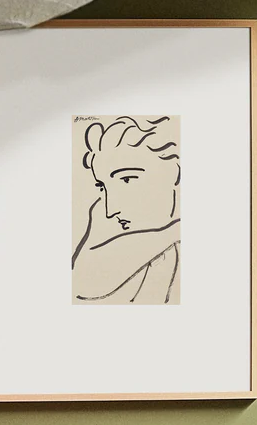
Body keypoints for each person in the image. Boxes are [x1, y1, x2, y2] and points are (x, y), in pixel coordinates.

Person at [72, 115, 181, 304]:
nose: (110, 210)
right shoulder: (100, 214)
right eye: (101, 186)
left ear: (174, 172)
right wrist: (173, 232)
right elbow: (82, 283)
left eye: (126, 179)